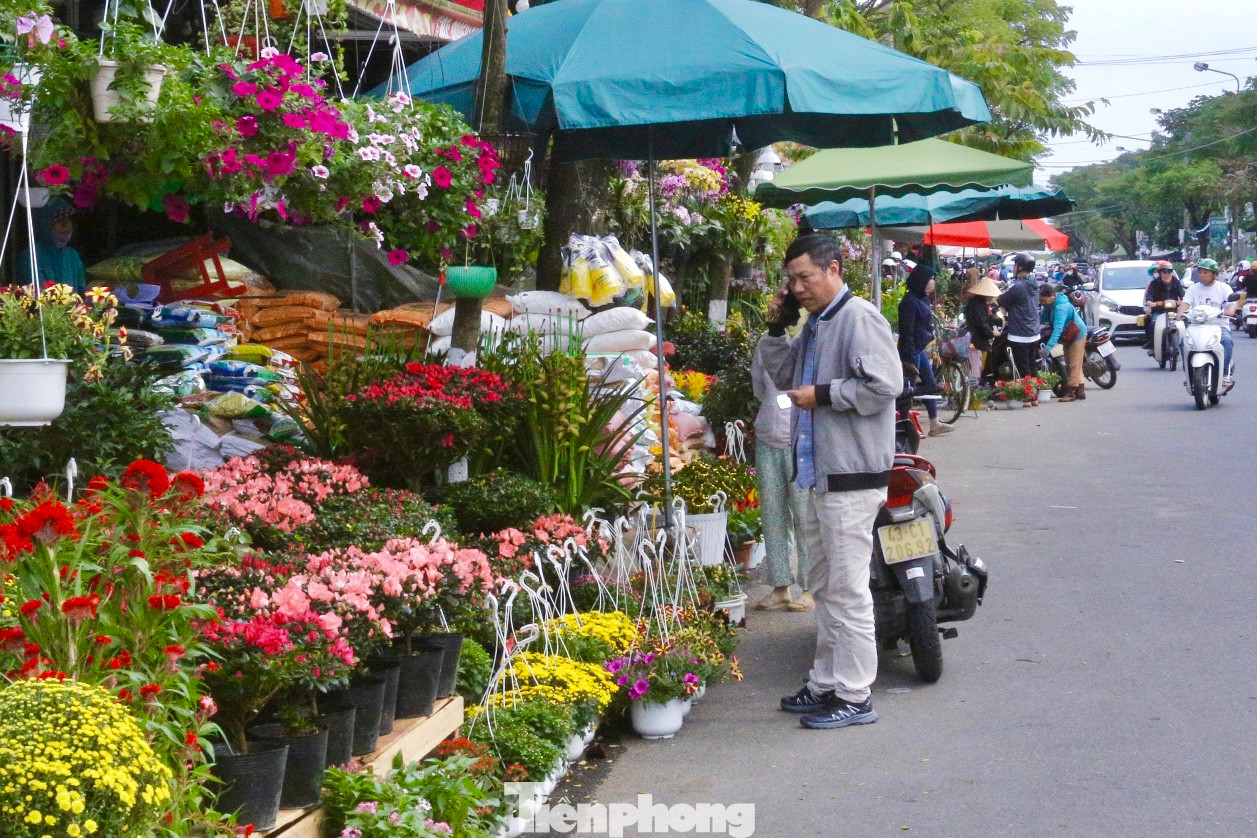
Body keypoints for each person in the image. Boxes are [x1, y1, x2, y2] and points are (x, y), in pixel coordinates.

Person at [758, 233, 902, 731]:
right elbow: (779, 377)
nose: (796, 287)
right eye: (790, 280)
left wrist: (824, 394)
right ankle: (825, 682)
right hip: (818, 475)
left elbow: (886, 386)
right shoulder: (816, 324)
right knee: (824, 587)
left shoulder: (858, 318)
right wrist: (778, 330)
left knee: (847, 589)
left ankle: (856, 695)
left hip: (852, 476)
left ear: (834, 269)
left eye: (805, 277)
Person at [750, 343, 813, 613]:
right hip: (768, 437)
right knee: (773, 513)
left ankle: (811, 588)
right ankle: (780, 586)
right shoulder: (765, 345)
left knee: (805, 515)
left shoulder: (809, 340)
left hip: (800, 439)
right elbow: (759, 388)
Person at [896, 263, 953, 436]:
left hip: (920, 348)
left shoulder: (922, 299)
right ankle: (903, 426)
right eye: (931, 279)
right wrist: (908, 359)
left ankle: (934, 423)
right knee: (908, 390)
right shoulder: (909, 303)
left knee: (930, 385)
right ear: (922, 280)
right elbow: (906, 332)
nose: (933, 282)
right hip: (911, 351)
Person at [1179, 258, 1237, 388]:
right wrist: (1179, 315)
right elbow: (1185, 303)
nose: (1202, 275)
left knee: (1227, 341)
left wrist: (1230, 311)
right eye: (1200, 272)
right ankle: (1188, 374)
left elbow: (1232, 303)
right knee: (1184, 342)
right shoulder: (1193, 289)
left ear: (1214, 274)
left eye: (1206, 272)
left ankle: (1225, 375)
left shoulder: (1223, 288)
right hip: (1197, 327)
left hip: (1219, 326)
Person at [17, 201, 86, 294]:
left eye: (68, 220)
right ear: (46, 225)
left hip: (73, 307)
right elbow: (40, 294)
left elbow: (82, 290)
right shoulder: (31, 255)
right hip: (46, 307)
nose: (67, 225)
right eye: (60, 220)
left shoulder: (72, 255)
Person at [1039, 283, 1089, 402]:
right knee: (1073, 362)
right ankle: (1080, 390)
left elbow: (1058, 329)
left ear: (1052, 296)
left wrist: (1048, 348)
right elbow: (1042, 319)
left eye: (1043, 300)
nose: (1042, 303)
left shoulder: (1060, 308)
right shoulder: (1051, 305)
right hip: (1069, 335)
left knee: (1073, 364)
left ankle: (1071, 392)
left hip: (1077, 334)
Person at [996, 253, 1042, 378]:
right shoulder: (1034, 283)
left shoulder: (1018, 286)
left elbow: (1001, 300)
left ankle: (1029, 395)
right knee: (1031, 365)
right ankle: (1034, 394)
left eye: (1015, 265)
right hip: (1033, 331)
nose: (1014, 268)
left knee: (1023, 367)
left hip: (1020, 333)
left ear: (1020, 267)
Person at [963, 274, 1000, 383]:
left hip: (976, 339)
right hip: (976, 340)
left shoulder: (978, 303)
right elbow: (981, 324)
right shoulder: (977, 305)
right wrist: (991, 333)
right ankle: (974, 389)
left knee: (977, 364)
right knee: (976, 366)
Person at [1142, 261, 1185, 352]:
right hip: (1158, 311)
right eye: (1164, 272)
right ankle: (1153, 346)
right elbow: (1149, 295)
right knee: (1153, 323)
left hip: (1173, 311)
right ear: (1160, 273)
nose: (1167, 274)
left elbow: (1183, 296)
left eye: (1169, 272)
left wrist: (1183, 302)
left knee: (1184, 323)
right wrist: (1150, 302)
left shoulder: (1176, 282)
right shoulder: (1154, 283)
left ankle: (1184, 344)